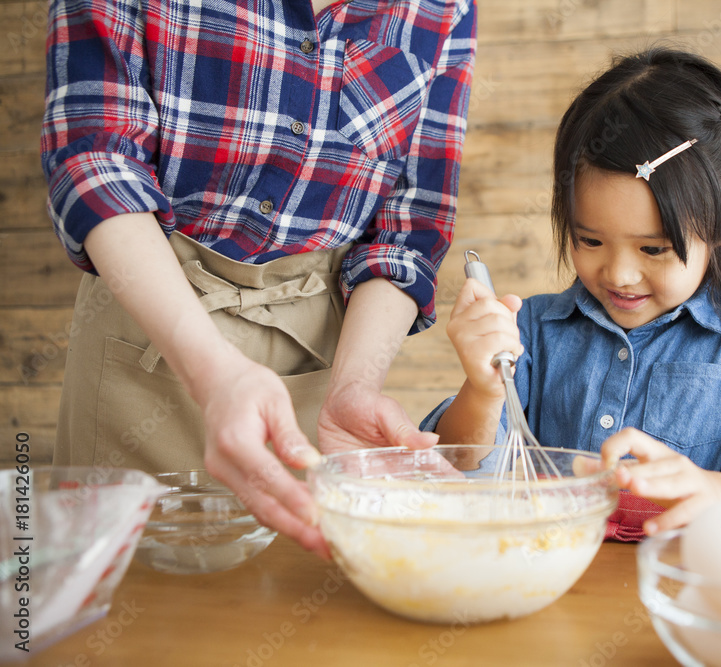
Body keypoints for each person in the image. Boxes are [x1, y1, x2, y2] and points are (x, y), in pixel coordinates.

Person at [41, 0, 476, 558]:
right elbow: (96, 161)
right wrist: (214, 374)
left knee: (294, 611)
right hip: (144, 337)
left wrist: (353, 390)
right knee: (128, 615)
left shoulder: (447, 9)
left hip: (320, 374)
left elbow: (406, 232)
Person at [422, 48, 721, 539]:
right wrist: (482, 392)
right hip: (553, 594)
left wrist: (717, 493)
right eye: (590, 241)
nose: (620, 274)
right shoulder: (532, 333)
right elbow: (452, 473)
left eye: (654, 248)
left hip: (690, 594)